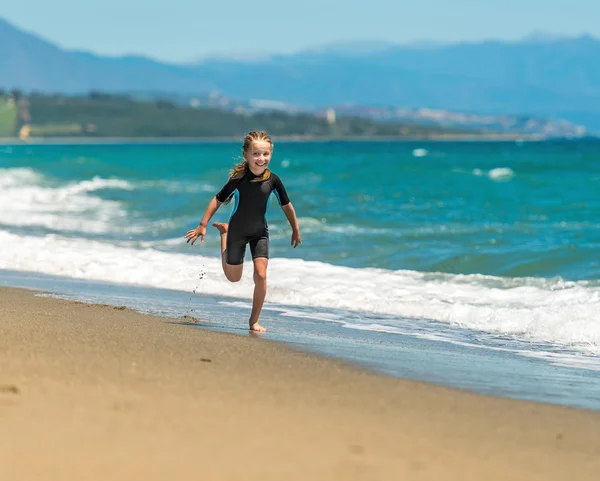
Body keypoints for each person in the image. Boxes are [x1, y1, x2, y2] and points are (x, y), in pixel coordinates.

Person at [185, 131, 301, 332]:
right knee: (233, 278)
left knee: (261, 274)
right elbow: (217, 199)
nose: (261, 158)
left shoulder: (273, 180)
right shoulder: (238, 179)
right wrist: (203, 224)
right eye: (256, 154)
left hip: (259, 233)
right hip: (237, 232)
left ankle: (253, 321)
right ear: (246, 155)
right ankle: (224, 234)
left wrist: (295, 228)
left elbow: (287, 205)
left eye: (265, 154)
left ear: (271, 154)